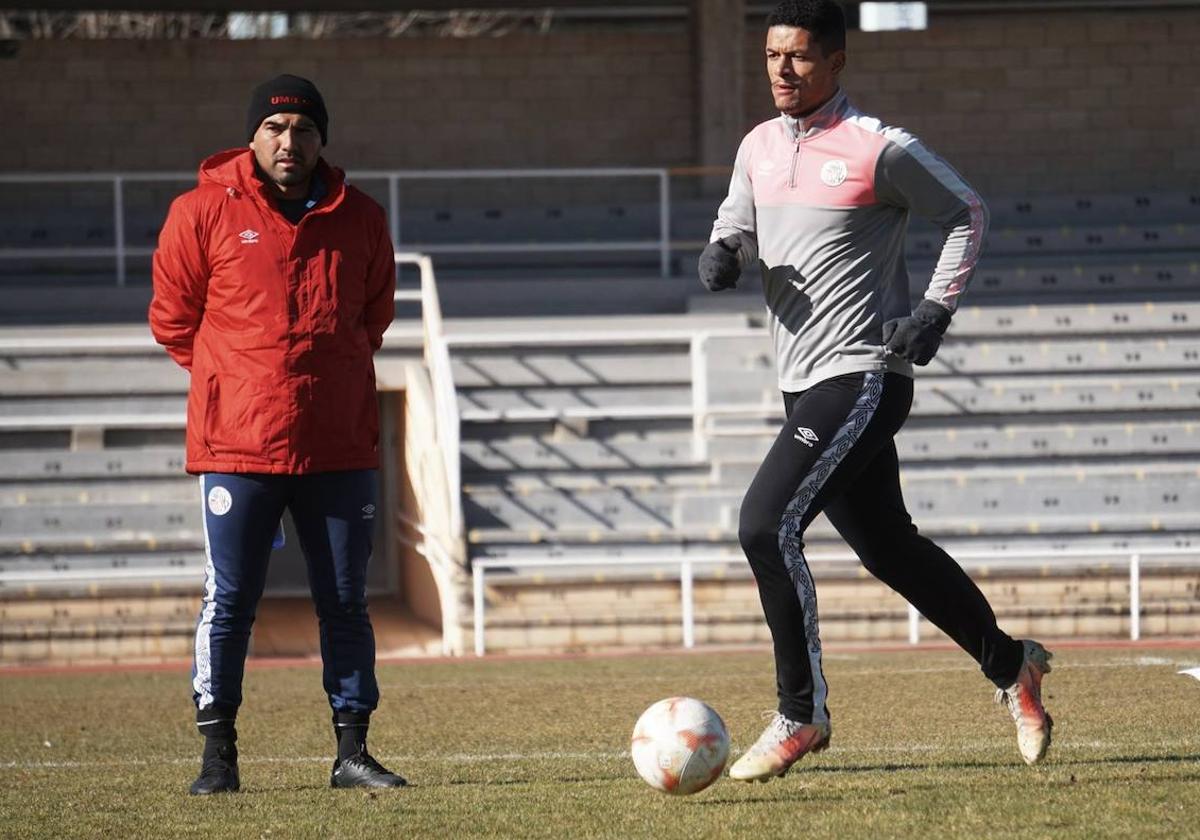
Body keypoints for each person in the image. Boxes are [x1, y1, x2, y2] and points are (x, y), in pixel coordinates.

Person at [699, 0, 1053, 781]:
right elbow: (739, 215)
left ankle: (801, 713)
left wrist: (933, 310)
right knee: (889, 550)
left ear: (835, 63)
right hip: (800, 382)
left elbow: (966, 212)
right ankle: (1011, 664)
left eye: (797, 57)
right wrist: (726, 249)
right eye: (770, 57)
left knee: (764, 524)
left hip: (863, 373)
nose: (782, 71)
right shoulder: (757, 144)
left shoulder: (879, 147)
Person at [150, 74, 404, 794]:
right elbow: (172, 319)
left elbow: (373, 317)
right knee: (229, 602)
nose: (289, 142)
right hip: (239, 446)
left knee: (345, 601)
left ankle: (352, 754)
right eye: (276, 128)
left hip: (337, 445)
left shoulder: (362, 217)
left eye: (304, 129)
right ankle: (218, 758)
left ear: (323, 139)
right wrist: (232, 381)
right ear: (253, 136)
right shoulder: (200, 213)